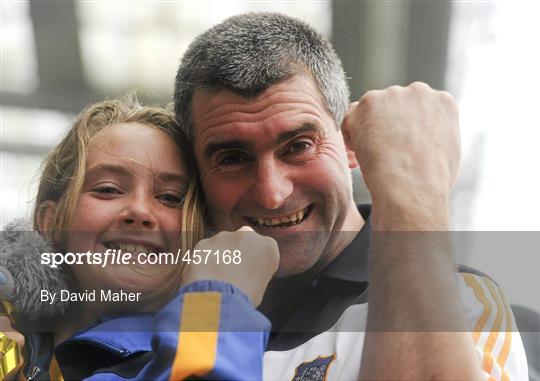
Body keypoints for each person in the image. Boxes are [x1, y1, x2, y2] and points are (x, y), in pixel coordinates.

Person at [174, 12, 529, 380]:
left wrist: (410, 188)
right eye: (232, 159)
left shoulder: (459, 299)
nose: (272, 193)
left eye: (299, 146)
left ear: (351, 142)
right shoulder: (172, 304)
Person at [0, 97, 279, 380]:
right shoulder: (10, 340)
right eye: (108, 189)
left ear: (201, 238)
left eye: (170, 198)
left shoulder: (236, 348)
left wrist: (218, 298)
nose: (140, 211)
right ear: (51, 223)